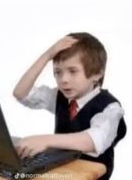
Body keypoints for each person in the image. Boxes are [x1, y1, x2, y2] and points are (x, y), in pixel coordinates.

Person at [13, 32, 126, 180]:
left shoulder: (110, 108)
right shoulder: (60, 97)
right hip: (62, 172)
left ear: (97, 73)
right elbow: (21, 93)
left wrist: (45, 140)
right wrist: (47, 55)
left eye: (73, 71)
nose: (63, 79)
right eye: (58, 72)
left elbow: (93, 140)